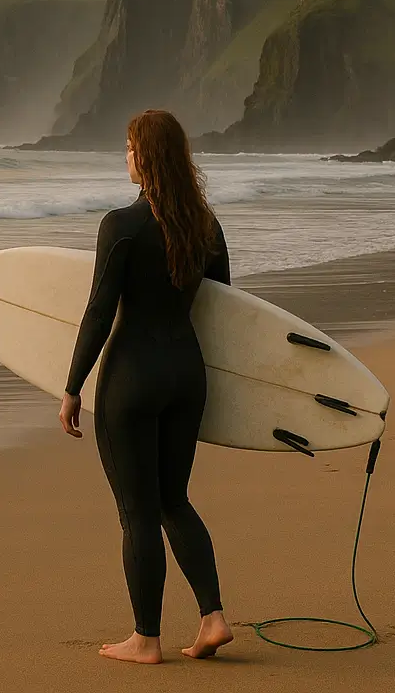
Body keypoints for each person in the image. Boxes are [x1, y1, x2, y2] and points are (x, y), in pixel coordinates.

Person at [58, 108, 233, 664]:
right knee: (173, 499)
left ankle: (146, 640)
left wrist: (71, 387)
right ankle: (213, 617)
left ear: (147, 157)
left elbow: (99, 312)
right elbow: (227, 308)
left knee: (137, 512)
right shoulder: (205, 226)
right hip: (187, 375)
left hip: (132, 380)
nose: (126, 156)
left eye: (131, 147)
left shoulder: (122, 226)